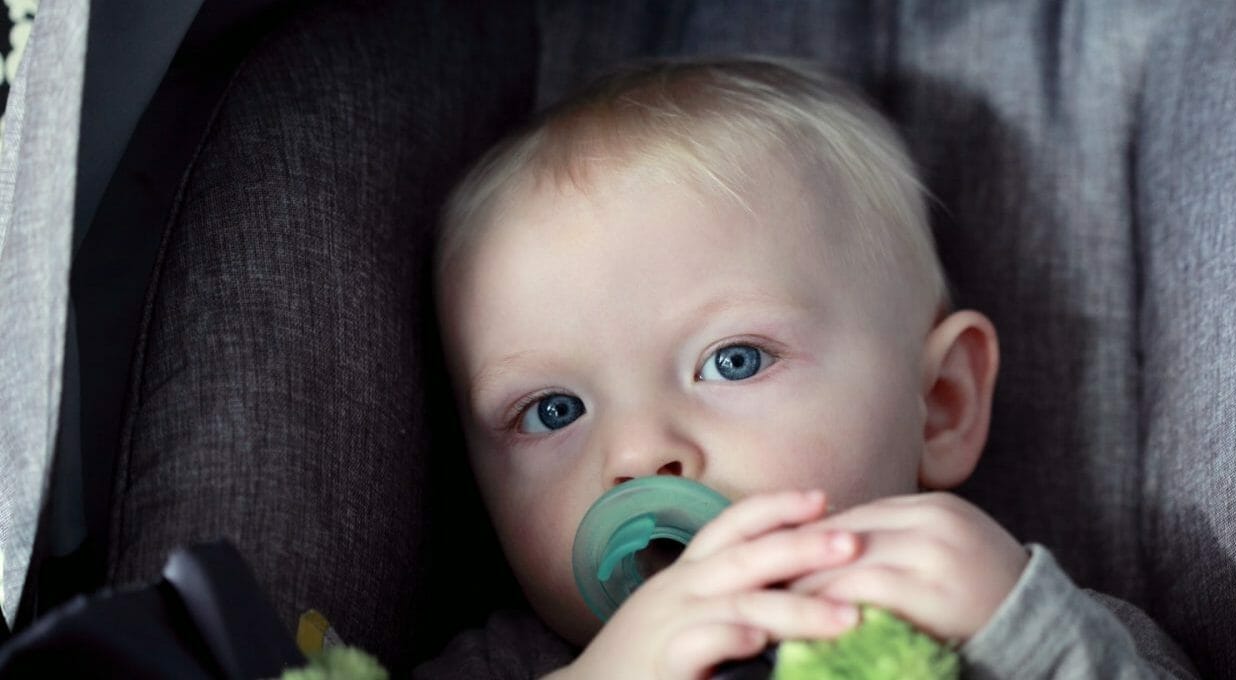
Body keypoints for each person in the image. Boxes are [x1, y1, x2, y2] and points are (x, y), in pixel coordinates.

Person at [420, 56, 1195, 679]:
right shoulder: (516, 665)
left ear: (941, 402)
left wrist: (1030, 641)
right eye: (554, 410)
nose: (635, 455)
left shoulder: (1010, 619)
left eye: (734, 360)